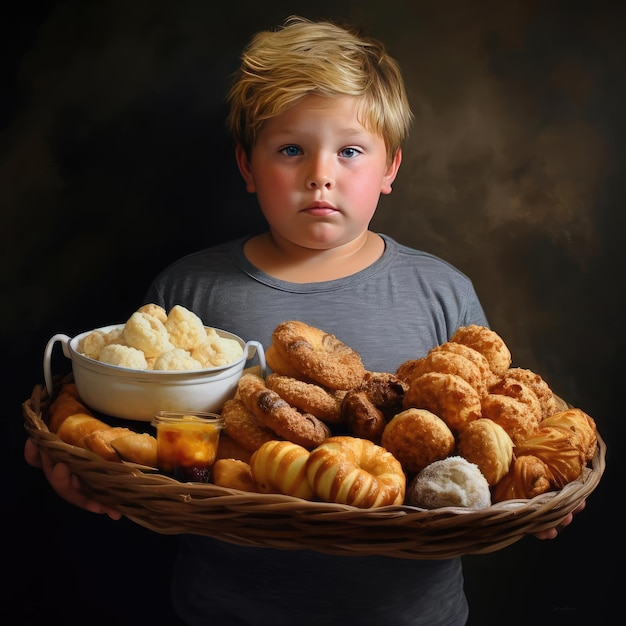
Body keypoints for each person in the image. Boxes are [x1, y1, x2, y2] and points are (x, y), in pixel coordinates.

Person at [24, 15, 585, 625]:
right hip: (229, 607)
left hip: (410, 612)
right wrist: (78, 466)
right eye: (291, 149)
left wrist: (536, 496)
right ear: (247, 166)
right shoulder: (187, 294)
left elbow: (504, 428)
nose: (321, 174)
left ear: (390, 168)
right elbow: (125, 428)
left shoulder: (441, 290)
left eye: (349, 151)